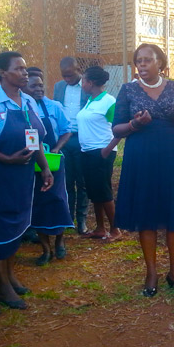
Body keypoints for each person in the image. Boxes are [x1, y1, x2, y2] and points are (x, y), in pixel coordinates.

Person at [113, 44, 174, 296]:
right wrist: (134, 123)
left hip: (172, 156)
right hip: (140, 157)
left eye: (147, 60)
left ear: (159, 63)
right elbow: (116, 129)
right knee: (146, 213)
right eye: (138, 61)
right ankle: (151, 273)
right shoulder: (127, 90)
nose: (141, 65)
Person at [0, 51, 54, 310]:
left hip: (23, 175)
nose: (24, 72)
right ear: (2, 73)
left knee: (16, 225)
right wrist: (5, 159)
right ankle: (3, 287)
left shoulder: (27, 101)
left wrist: (45, 168)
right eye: (18, 68)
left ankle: (10, 276)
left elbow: (35, 138)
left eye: (25, 68)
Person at [23, 73, 74, 265]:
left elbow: (66, 130)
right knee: (37, 203)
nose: (39, 89)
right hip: (31, 163)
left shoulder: (54, 106)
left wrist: (56, 148)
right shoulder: (24, 108)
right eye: (34, 86)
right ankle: (45, 249)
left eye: (41, 85)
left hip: (54, 161)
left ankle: (60, 241)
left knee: (57, 199)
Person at [76, 66, 122, 241]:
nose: (81, 84)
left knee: (103, 191)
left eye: (83, 81)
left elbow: (119, 129)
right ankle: (100, 228)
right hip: (87, 152)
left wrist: (106, 150)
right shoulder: (90, 101)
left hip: (101, 152)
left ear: (91, 82)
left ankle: (115, 229)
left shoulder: (109, 101)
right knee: (94, 191)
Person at [53, 57, 89, 234]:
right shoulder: (59, 87)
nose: (67, 79)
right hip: (64, 139)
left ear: (78, 69)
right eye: (64, 75)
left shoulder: (87, 86)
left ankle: (82, 219)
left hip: (82, 138)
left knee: (82, 181)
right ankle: (68, 218)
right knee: (66, 180)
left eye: (70, 75)